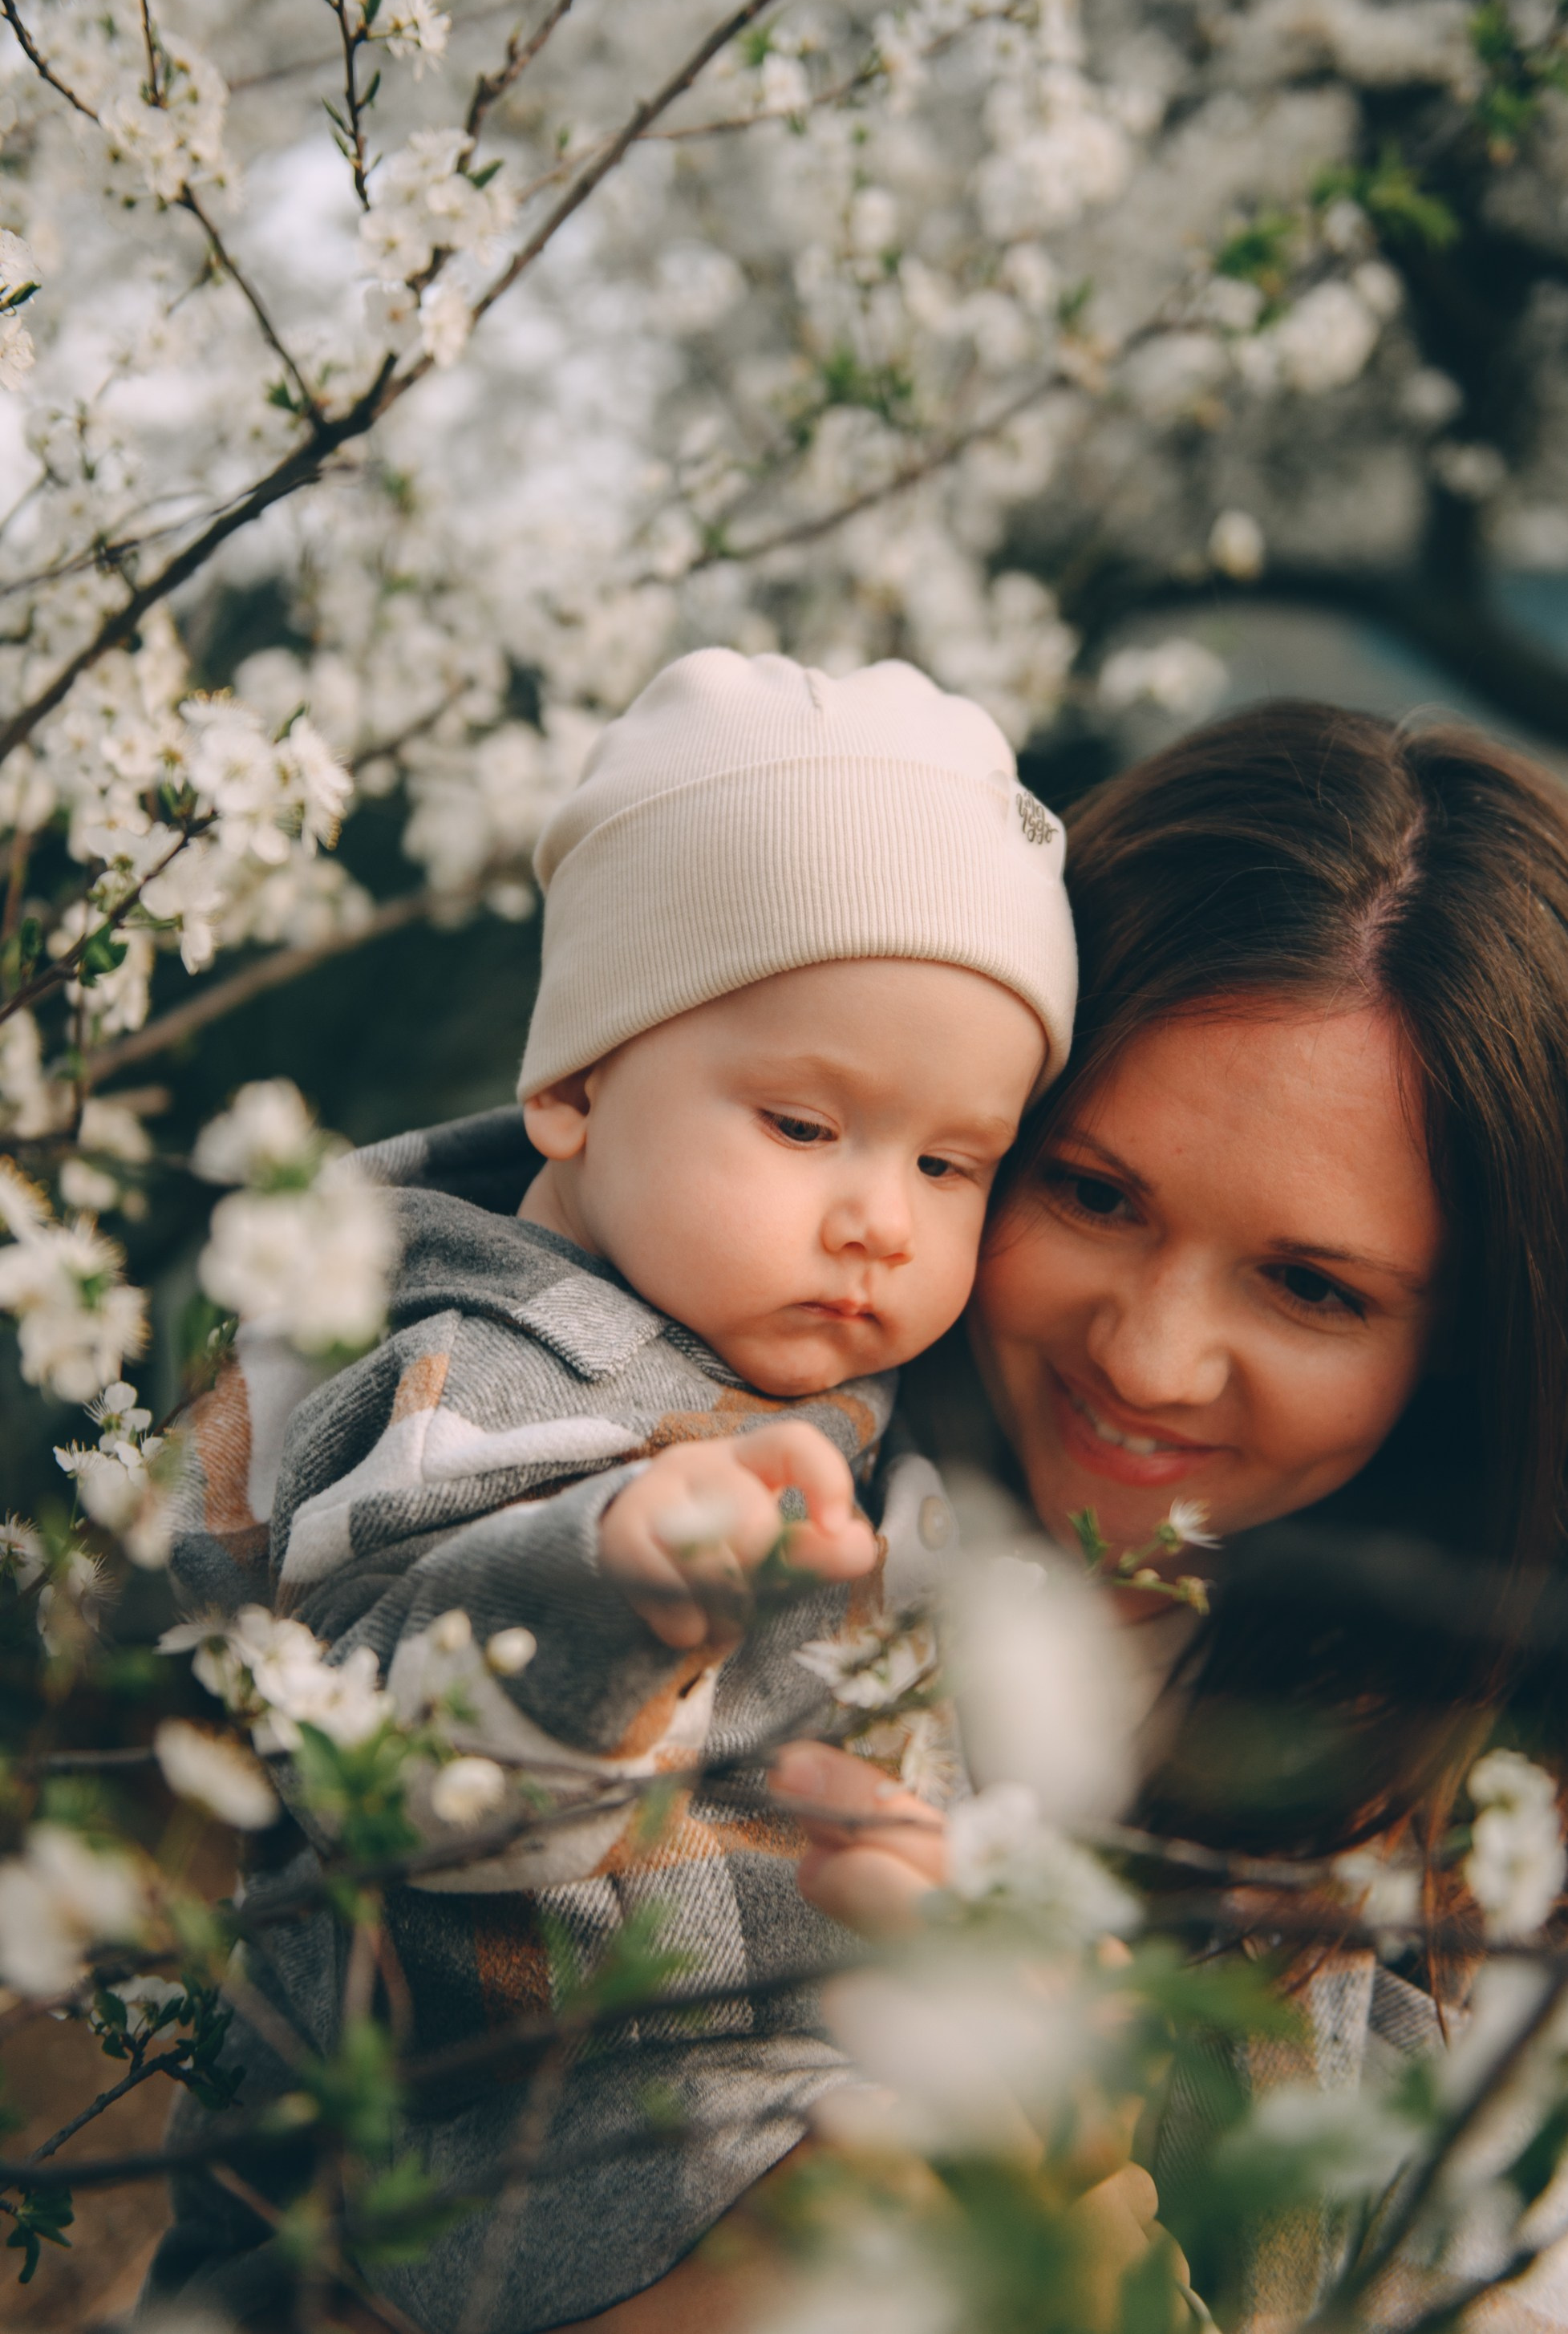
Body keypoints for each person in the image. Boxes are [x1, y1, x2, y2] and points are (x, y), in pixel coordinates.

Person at [148, 648, 1076, 2333]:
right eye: (806, 1122)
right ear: (572, 1087)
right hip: (494, 2160)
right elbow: (385, 1729)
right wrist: (606, 1585)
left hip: (762, 2113)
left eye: (952, 1162)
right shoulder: (471, 1370)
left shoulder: (853, 1396)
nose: (885, 1214)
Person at [778, 699, 1568, 2329]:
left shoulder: (1499, 1897)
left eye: (1307, 1285)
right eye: (1091, 1189)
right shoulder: (622, 1492)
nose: (1146, 1353)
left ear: (1479, 1345)